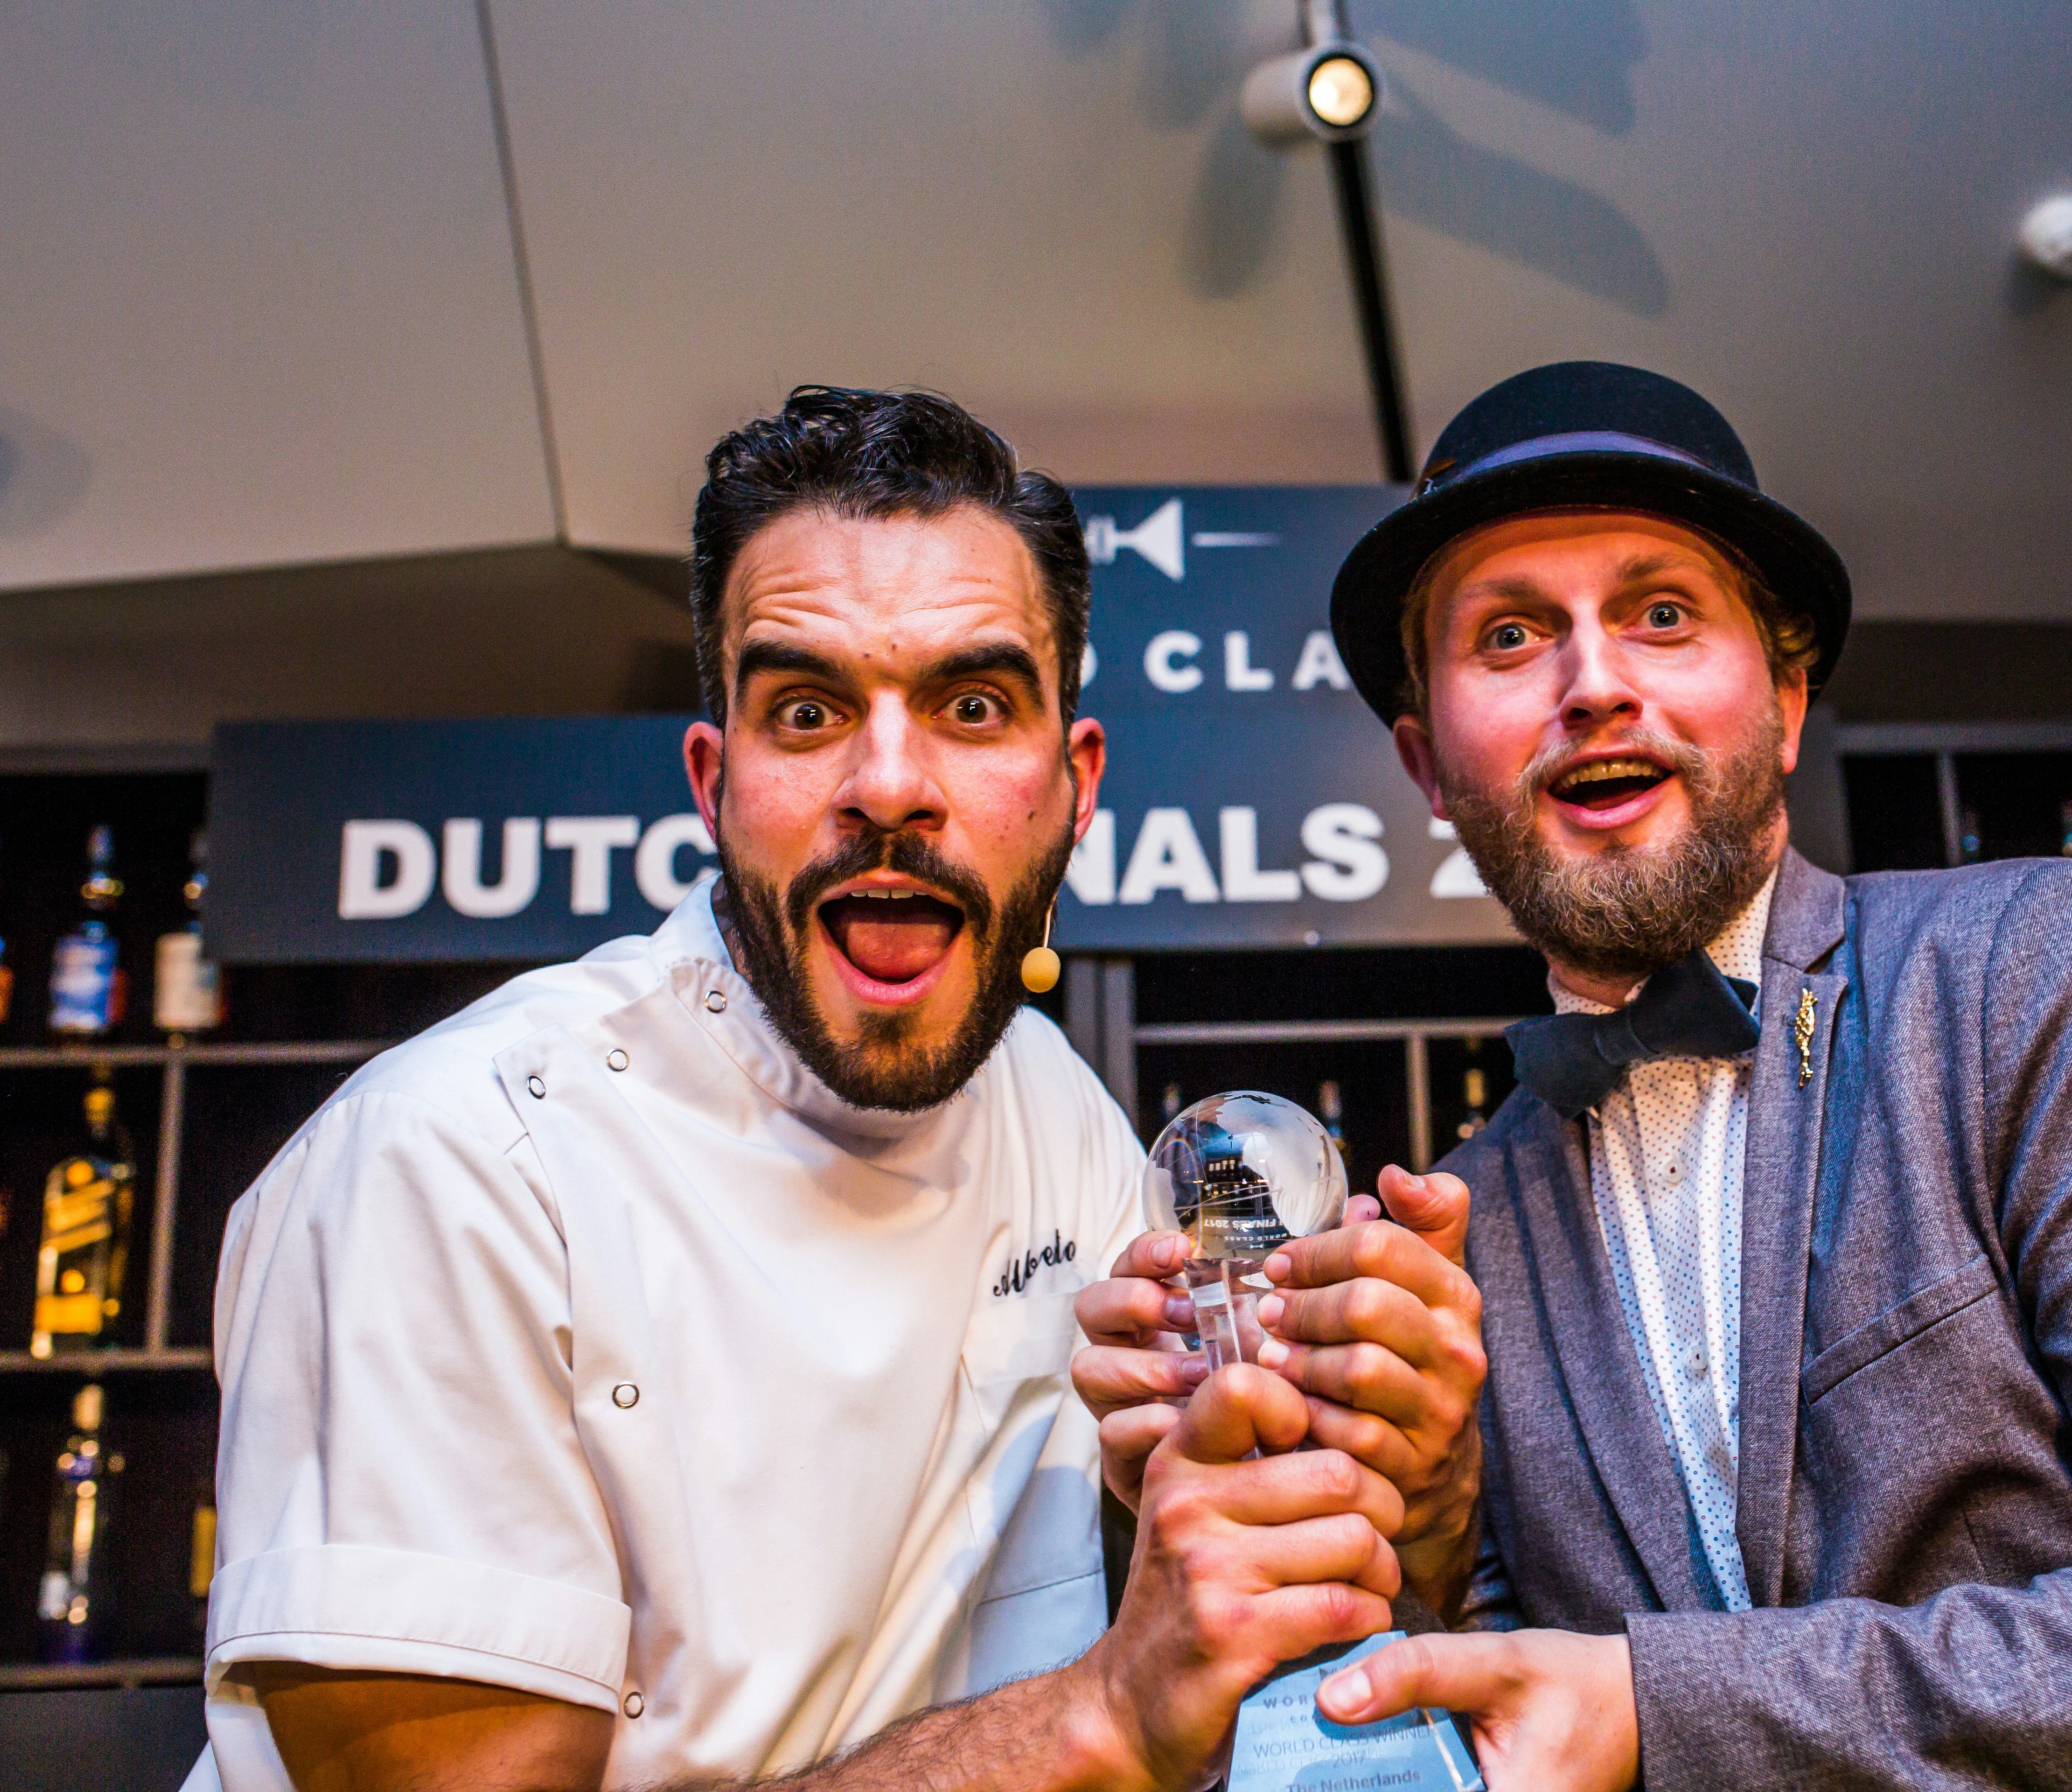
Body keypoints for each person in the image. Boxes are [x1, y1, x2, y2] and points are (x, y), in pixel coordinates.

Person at [188, 387, 1408, 1792]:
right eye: (810, 708)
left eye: (970, 703)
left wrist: (1254, 1481)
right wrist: (1107, 1716)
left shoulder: (1058, 1112)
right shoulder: (451, 1165)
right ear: (715, 784)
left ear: (1076, 787)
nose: (890, 785)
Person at [1294, 361, 2072, 1787]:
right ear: (1428, 763)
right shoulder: (1465, 1223)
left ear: (1786, 700)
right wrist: (1415, 1540)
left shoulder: (2045, 970)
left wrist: (1668, 1713)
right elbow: (1506, 1712)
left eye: (1662, 614)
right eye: (1509, 635)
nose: (1594, 683)